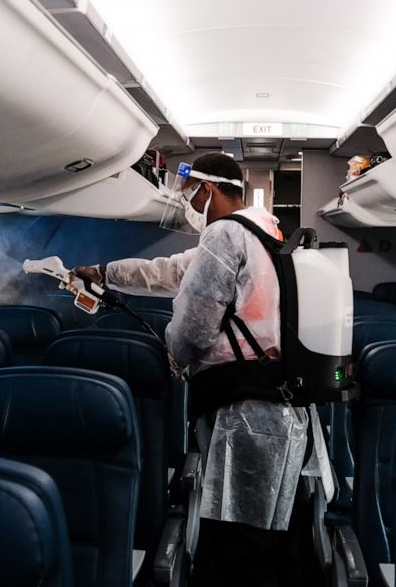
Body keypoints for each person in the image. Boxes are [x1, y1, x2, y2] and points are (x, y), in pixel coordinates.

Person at [72, 152, 332, 586]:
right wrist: (102, 273)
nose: (189, 203)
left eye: (191, 193)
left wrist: (175, 354)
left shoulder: (225, 233)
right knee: (270, 536)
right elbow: (172, 271)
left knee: (240, 547)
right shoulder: (262, 229)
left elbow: (192, 329)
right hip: (281, 411)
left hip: (249, 415)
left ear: (207, 190)